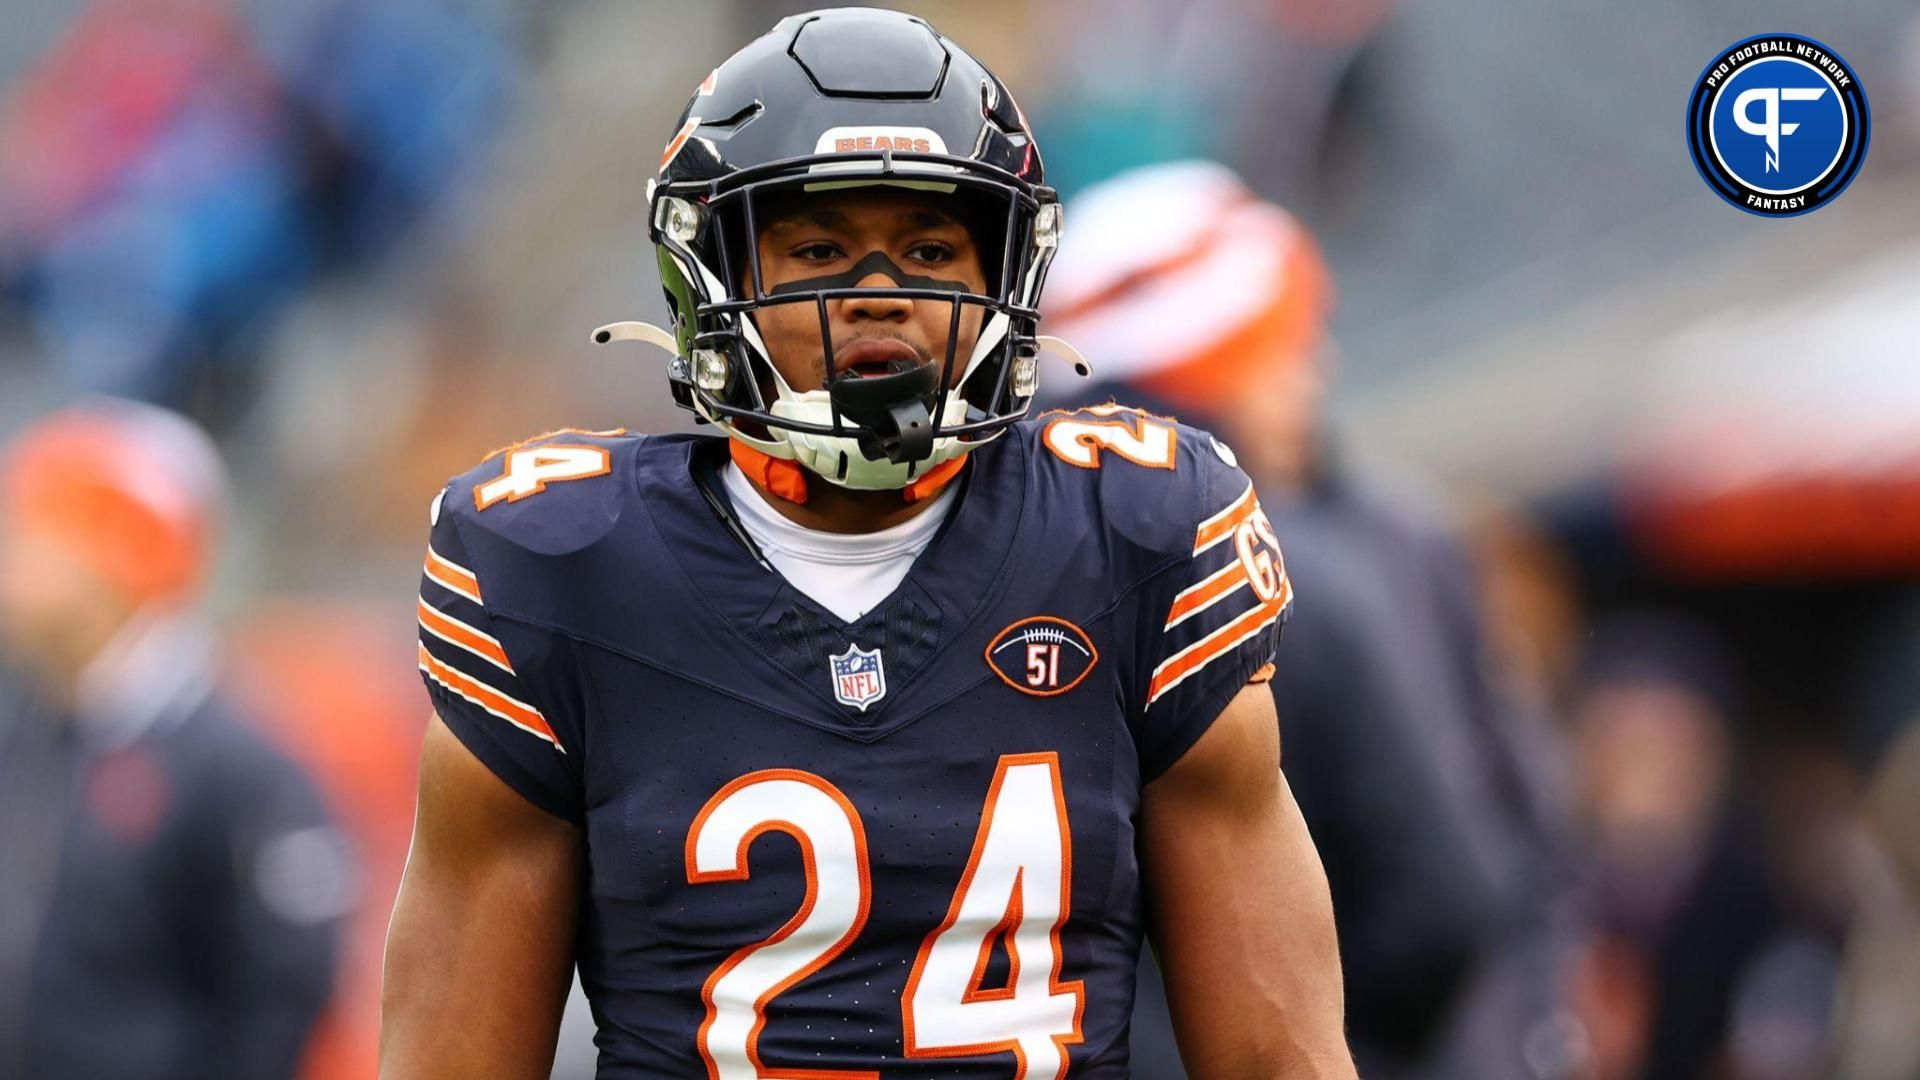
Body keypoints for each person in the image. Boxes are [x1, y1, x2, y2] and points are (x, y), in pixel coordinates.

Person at [381, 10, 1355, 1079]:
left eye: (932, 249)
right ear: (708, 278)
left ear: (1007, 278)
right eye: (818, 249)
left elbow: (1281, 1057)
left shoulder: (1134, 536)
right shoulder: (562, 567)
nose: (881, 295)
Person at [1042, 161, 1576, 1079]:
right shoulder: (1298, 564)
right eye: (1280, 343)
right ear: (1203, 366)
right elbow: (1446, 895)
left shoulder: (1385, 537)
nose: (1314, 368)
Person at [0, 399, 349, 1079]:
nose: (9, 559)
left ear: (121, 549)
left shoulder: (239, 764)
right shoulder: (28, 729)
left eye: (30, 530)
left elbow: (286, 998)